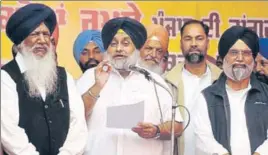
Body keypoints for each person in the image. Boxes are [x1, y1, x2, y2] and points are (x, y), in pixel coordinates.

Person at [76, 17, 183, 155]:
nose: (119, 48)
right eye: (113, 44)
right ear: (107, 48)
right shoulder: (90, 77)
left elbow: (178, 126)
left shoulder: (155, 82)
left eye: (126, 43)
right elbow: (73, 119)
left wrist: (156, 130)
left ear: (137, 48)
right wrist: (97, 86)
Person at [1, 3, 87, 155]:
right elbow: (9, 131)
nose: (42, 40)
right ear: (20, 41)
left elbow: (78, 123)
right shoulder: (6, 76)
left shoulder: (63, 75)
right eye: (35, 34)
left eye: (46, 34)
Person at [194, 26, 268, 155]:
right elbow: (203, 139)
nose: (240, 58)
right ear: (223, 58)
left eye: (246, 53)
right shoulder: (207, 97)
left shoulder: (266, 94)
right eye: (234, 52)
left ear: (253, 60)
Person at [164, 19, 222, 155]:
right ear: (180, 44)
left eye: (199, 38)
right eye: (188, 39)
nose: (194, 44)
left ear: (208, 43)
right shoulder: (166, 82)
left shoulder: (222, 81)